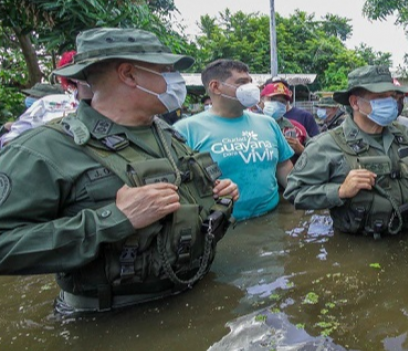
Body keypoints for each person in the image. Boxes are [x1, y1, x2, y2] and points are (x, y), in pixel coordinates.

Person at [0, 28, 239, 314]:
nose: (176, 79)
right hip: (109, 322)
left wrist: (218, 196)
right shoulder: (44, 149)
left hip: (194, 300)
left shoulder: (168, 135)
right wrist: (114, 219)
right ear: (128, 74)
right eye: (166, 69)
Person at [284, 65, 408, 238]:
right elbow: (295, 192)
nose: (390, 102)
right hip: (361, 246)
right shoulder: (326, 145)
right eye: (381, 96)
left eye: (392, 96)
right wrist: (340, 191)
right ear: (355, 102)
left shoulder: (403, 134)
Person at [174, 59, 294, 221]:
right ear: (215, 87)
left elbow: (283, 165)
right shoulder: (185, 130)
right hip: (220, 226)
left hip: (271, 219)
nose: (251, 88)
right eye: (241, 82)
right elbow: (177, 185)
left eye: (250, 82)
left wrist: (300, 199)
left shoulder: (268, 123)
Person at [1, 52, 93, 148]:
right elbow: (12, 138)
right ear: (72, 75)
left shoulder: (107, 108)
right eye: (88, 68)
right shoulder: (48, 103)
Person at [259, 81, 308, 161]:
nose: (277, 104)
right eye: (273, 99)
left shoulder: (296, 128)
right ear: (261, 99)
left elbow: (315, 154)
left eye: (282, 102)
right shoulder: (249, 124)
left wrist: (301, 150)